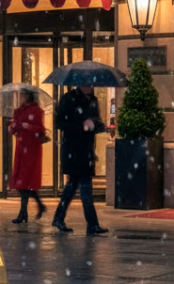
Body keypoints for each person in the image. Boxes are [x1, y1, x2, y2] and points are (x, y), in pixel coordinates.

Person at [53, 84, 109, 235]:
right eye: (87, 83)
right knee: (84, 188)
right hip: (73, 149)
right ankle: (92, 224)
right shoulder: (68, 99)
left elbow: (97, 123)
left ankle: (59, 218)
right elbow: (59, 123)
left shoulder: (93, 100)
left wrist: (96, 125)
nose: (90, 86)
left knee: (72, 187)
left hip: (86, 150)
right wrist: (81, 126)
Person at [8, 90, 47, 223]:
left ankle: (24, 213)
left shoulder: (37, 111)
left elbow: (41, 129)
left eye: (23, 95)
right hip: (21, 148)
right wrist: (12, 127)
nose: (21, 98)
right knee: (22, 183)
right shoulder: (18, 111)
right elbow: (15, 129)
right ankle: (36, 207)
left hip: (31, 148)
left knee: (25, 182)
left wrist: (28, 126)